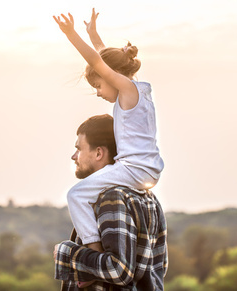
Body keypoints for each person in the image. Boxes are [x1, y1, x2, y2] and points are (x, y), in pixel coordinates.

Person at [53, 8, 165, 255]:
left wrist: (72, 35)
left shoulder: (127, 91)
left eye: (99, 84)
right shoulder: (138, 91)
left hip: (134, 168)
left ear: (114, 77)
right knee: (86, 194)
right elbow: (105, 59)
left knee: (76, 196)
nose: (98, 92)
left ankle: (94, 253)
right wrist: (93, 34)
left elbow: (98, 62)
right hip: (144, 167)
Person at [54, 114, 168, 290]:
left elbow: (118, 270)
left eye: (79, 149)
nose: (74, 156)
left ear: (99, 153)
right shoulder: (149, 198)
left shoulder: (112, 199)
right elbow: (159, 267)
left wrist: (67, 253)